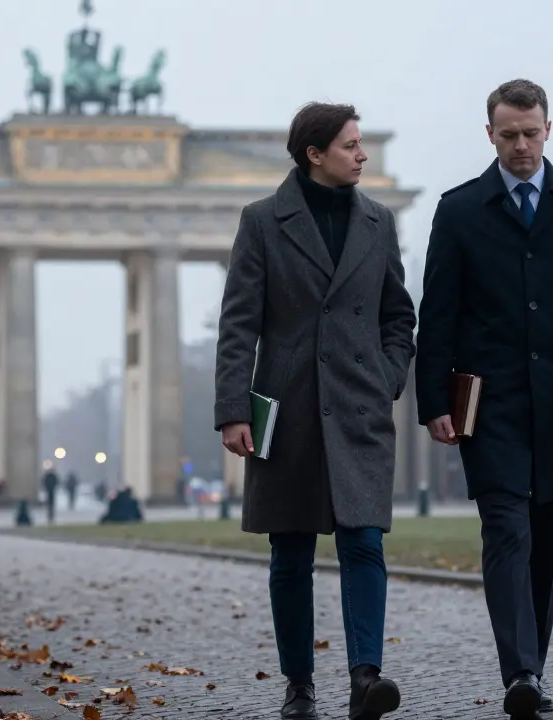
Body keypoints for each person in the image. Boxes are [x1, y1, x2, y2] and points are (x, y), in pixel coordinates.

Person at [415, 79, 553, 719]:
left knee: (548, 540)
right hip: (490, 406)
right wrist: (434, 398)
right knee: (507, 530)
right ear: (489, 134)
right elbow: (438, 314)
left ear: (549, 129)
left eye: (531, 133)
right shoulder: (459, 211)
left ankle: (530, 670)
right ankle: (520, 674)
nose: (521, 145)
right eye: (509, 134)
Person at [214, 101, 415, 720]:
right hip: (289, 407)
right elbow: (239, 323)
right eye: (352, 145)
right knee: (291, 552)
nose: (362, 155)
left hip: (358, 408)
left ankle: (365, 678)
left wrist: (385, 378)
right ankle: (299, 685)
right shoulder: (263, 222)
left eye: (361, 144)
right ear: (315, 154)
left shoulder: (379, 222)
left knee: (364, 544)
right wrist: (233, 409)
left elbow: (398, 315)